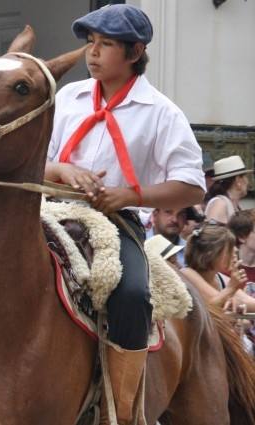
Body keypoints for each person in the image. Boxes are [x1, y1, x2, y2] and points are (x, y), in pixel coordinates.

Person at [43, 5, 205, 424]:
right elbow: (35, 163)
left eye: (106, 44)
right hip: (49, 213)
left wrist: (129, 195)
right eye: (90, 43)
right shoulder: (68, 98)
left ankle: (123, 410)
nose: (93, 53)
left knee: (131, 295)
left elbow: (191, 185)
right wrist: (61, 170)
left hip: (115, 224)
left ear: (134, 52)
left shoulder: (161, 112)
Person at [181, 223, 255, 312]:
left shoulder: (220, 278)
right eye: (230, 248)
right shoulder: (187, 273)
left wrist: (240, 305)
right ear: (211, 254)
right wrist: (231, 288)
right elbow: (211, 307)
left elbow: (249, 302)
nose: (235, 250)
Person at [204, 155, 252, 224]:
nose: (247, 181)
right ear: (238, 180)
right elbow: (212, 230)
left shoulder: (232, 204)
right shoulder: (219, 204)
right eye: (245, 177)